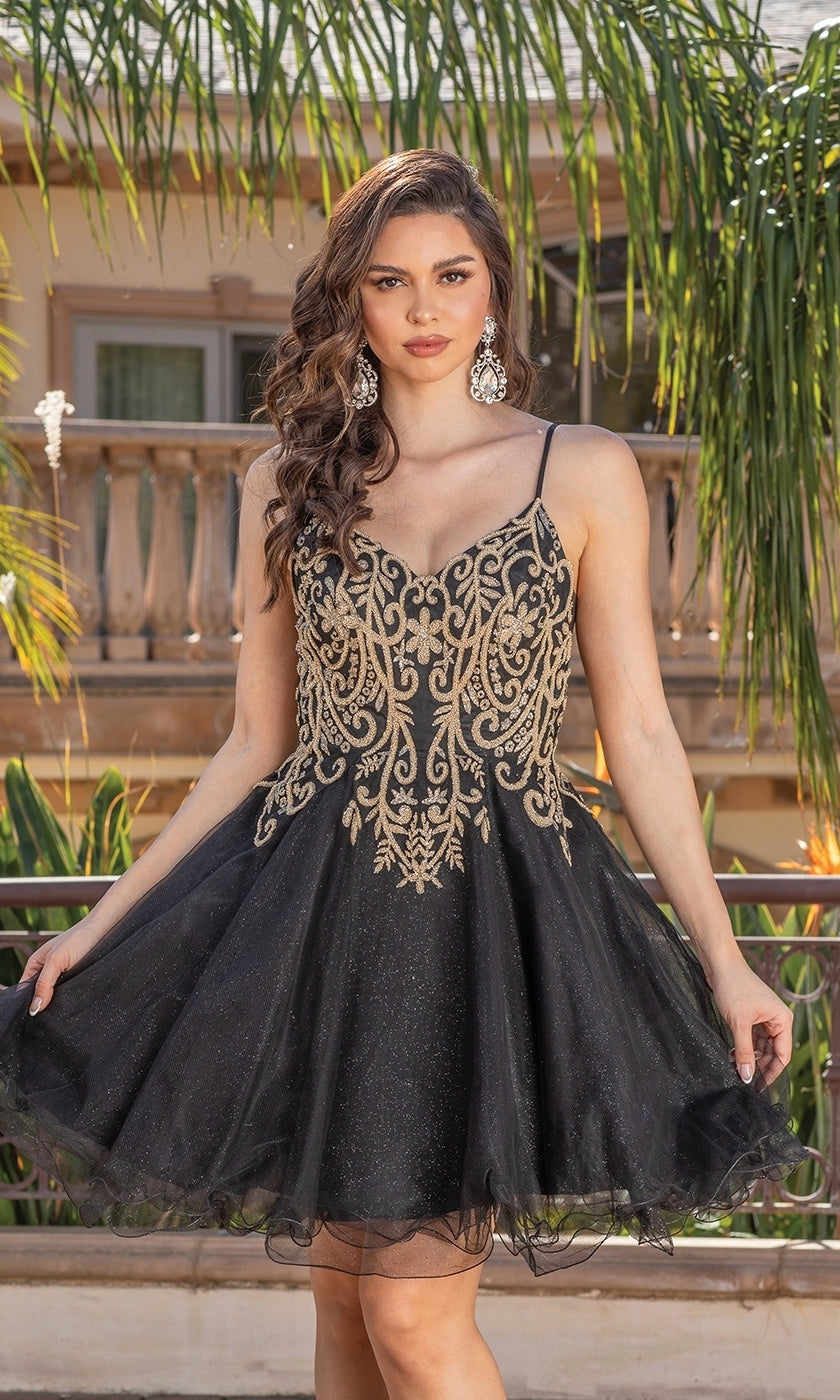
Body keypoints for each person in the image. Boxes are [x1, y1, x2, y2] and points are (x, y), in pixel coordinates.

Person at [0, 149, 807, 1400]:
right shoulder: (288, 481)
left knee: (414, 1324)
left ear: (493, 293)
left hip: (490, 926)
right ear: (352, 301)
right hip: (324, 921)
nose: (424, 308)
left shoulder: (582, 471)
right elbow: (254, 743)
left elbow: (639, 734)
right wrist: (101, 929)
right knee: (344, 1315)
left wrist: (723, 955)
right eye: (390, 280)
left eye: (453, 275)